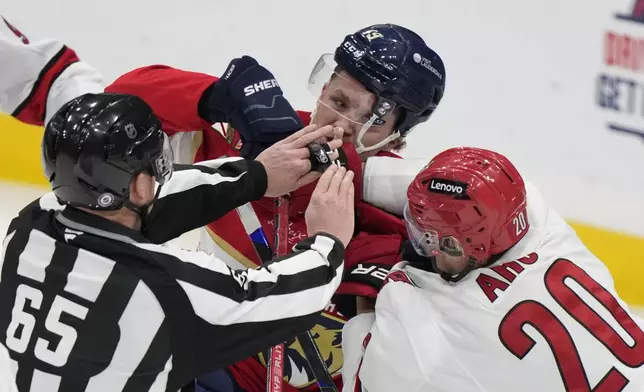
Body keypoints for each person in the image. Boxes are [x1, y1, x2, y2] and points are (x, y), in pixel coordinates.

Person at [0, 18, 446, 391]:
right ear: (324, 86)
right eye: (339, 101)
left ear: (397, 135)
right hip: (206, 371)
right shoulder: (247, 142)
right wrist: (222, 98)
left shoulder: (401, 211)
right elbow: (125, 99)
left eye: (373, 119)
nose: (342, 125)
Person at [0, 92, 355, 391]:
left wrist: (255, 175)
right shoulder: (168, 287)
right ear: (139, 185)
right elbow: (275, 297)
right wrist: (328, 241)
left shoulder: (29, 226)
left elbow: (154, 197)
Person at [341, 147, 644, 391]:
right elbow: (445, 184)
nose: (422, 244)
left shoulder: (440, 343)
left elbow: (363, 372)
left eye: (429, 237)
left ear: (461, 245)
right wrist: (344, 170)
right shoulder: (540, 222)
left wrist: (339, 243)